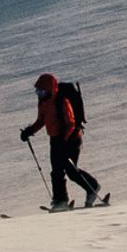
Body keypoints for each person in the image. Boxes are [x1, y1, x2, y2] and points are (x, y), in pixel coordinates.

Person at [25, 70, 103, 209]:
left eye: (41, 92)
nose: (39, 95)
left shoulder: (62, 100)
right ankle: (60, 200)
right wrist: (29, 131)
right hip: (55, 140)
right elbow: (41, 120)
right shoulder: (43, 102)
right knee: (56, 171)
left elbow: (71, 123)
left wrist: (64, 139)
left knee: (70, 170)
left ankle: (92, 187)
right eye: (38, 92)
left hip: (71, 139)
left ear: (50, 89)